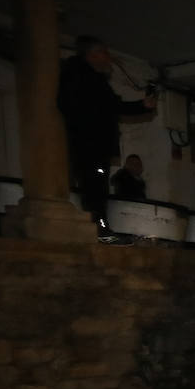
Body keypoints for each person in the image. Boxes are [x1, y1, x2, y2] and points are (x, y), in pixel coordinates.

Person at [57, 36, 156, 242]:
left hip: (92, 143)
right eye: (104, 53)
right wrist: (140, 106)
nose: (108, 58)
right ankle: (100, 230)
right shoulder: (84, 78)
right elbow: (109, 106)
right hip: (91, 144)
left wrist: (141, 106)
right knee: (95, 189)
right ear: (92, 54)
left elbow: (111, 105)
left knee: (95, 188)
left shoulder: (89, 79)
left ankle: (100, 228)